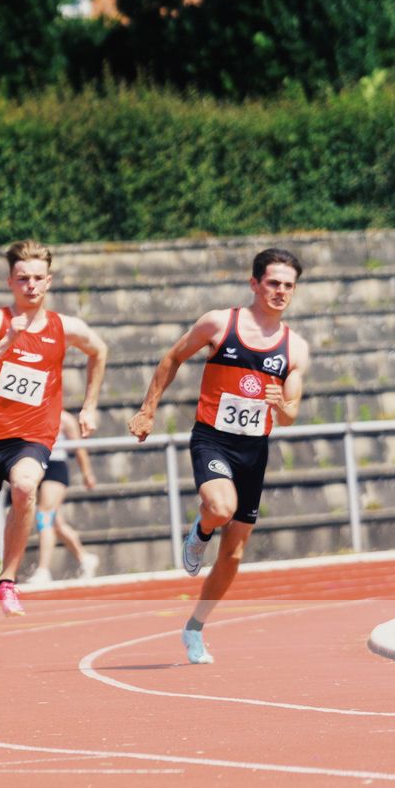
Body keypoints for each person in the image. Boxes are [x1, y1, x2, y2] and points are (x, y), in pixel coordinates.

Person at [129, 247, 309, 665]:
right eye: (273, 283)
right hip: (212, 438)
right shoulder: (219, 323)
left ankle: (194, 628)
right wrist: (148, 409)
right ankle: (200, 531)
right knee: (220, 506)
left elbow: (290, 417)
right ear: (255, 283)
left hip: (253, 450)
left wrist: (280, 402)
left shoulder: (294, 348)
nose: (280, 292)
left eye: (288, 285)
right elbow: (173, 357)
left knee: (235, 554)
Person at [0, 241, 107, 645]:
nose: (31, 285)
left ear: (49, 281)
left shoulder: (65, 327)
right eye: (23, 278)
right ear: (10, 282)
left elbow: (99, 350)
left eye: (38, 278)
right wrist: (7, 342)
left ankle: (8, 580)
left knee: (25, 486)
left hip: (32, 435)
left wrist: (89, 406)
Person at [25, 409, 101, 584]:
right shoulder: (31, 413)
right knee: (56, 524)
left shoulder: (65, 419)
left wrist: (87, 474)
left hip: (55, 469)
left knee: (44, 516)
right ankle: (85, 558)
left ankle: (43, 570)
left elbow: (78, 449)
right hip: (36, 468)